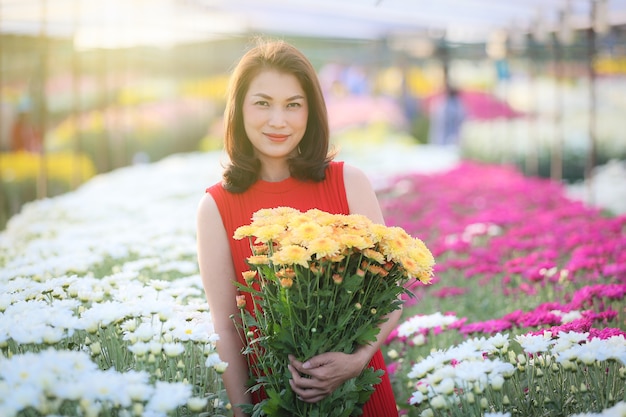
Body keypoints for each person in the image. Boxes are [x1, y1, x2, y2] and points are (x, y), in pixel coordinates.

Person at [196, 38, 401, 417]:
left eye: (293, 105)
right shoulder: (216, 207)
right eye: (262, 103)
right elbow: (226, 328)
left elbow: (389, 299)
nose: (278, 120)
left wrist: (356, 361)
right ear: (239, 110)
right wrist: (244, 411)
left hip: (360, 394)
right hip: (276, 404)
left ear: (311, 111)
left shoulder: (349, 182)